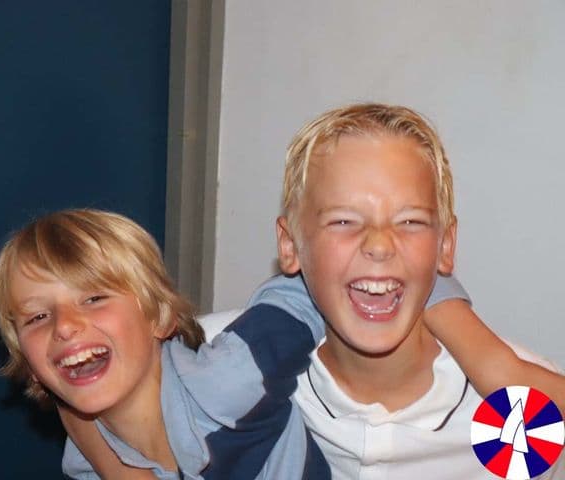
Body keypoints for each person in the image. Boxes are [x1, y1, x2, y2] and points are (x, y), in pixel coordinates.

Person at [237, 103, 564, 479]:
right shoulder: (212, 376)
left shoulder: (528, 409)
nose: (379, 245)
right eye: (343, 220)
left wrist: (498, 366)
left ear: (445, 245)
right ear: (290, 244)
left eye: (410, 221)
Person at [0, 208, 334, 479]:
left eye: (94, 298)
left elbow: (309, 290)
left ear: (161, 316)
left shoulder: (232, 379)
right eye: (37, 317)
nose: (64, 326)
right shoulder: (85, 463)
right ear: (30, 366)